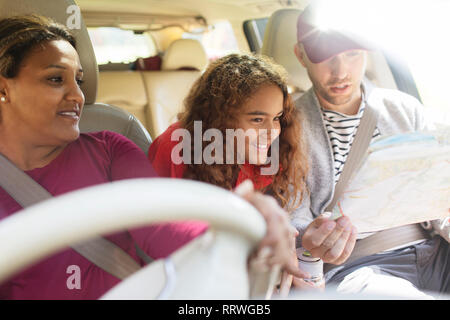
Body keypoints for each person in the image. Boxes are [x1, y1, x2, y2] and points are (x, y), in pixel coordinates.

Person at [0, 15, 305, 299]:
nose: (77, 95)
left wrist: (242, 228)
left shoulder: (111, 149)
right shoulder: (181, 144)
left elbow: (164, 228)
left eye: (78, 81)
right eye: (55, 79)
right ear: (3, 89)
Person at [289, 4, 449, 297]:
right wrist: (309, 241)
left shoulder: (404, 109)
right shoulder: (288, 128)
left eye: (352, 55)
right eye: (325, 57)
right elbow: (293, 218)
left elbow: (437, 191)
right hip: (359, 267)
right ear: (301, 55)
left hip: (435, 249)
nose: (340, 72)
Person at [148, 53, 316, 291]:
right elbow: (159, 238)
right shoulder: (176, 147)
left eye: (277, 118)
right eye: (257, 119)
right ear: (221, 118)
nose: (272, 131)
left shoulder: (264, 156)